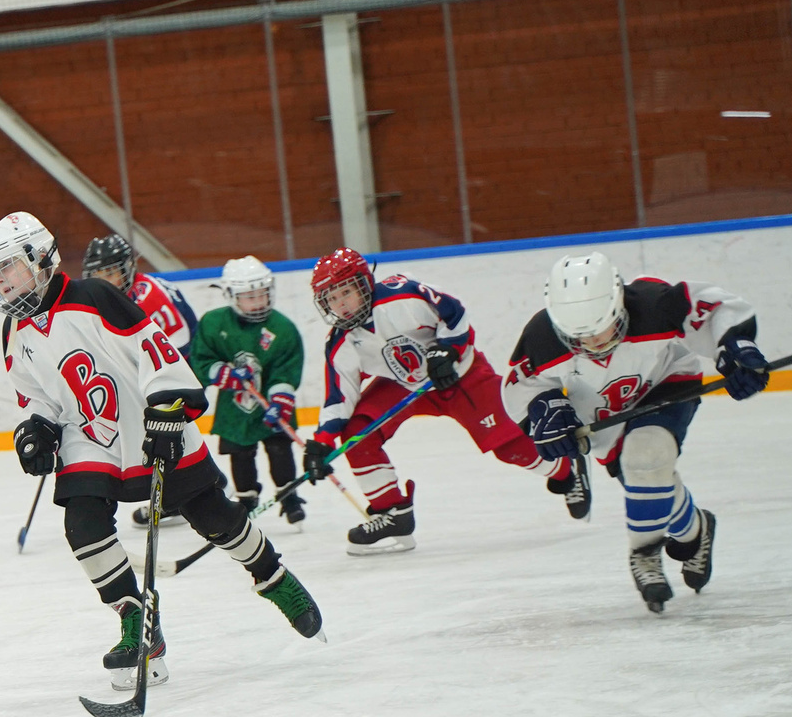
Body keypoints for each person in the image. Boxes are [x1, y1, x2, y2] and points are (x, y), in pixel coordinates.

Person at [0, 214, 321, 690]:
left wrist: (169, 404)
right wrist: (36, 428)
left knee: (213, 516)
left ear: (40, 258)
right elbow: (35, 394)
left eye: (7, 268)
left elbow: (156, 350)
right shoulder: (11, 331)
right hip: (90, 435)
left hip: (150, 421)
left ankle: (273, 577)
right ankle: (137, 624)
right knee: (81, 524)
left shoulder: (95, 297)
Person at [501, 252, 761, 612]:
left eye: (600, 329)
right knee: (650, 486)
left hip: (665, 382)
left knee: (647, 454)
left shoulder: (654, 304)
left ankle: (644, 554)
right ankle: (697, 529)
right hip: (602, 411)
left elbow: (717, 309)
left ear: (618, 303)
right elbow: (521, 387)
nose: (591, 345)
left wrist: (736, 346)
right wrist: (544, 409)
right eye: (578, 338)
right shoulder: (542, 336)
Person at [304, 247, 571, 555]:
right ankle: (392, 513)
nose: (340, 304)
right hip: (403, 385)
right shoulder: (340, 342)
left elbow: (454, 314)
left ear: (364, 283)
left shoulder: (403, 296)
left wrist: (448, 349)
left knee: (509, 446)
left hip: (459, 376)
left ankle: (565, 469)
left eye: (346, 292)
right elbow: (340, 395)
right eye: (332, 298)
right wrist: (322, 442)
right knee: (356, 432)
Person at [83, 232, 200, 526]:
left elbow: (180, 343)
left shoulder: (147, 296)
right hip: (153, 373)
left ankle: (178, 497)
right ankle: (198, 488)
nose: (103, 280)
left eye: (109, 272)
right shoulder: (113, 298)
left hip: (177, 373)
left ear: (126, 268)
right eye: (97, 274)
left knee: (160, 434)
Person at [189, 256, 307, 529]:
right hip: (235, 406)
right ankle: (246, 500)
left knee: (279, 447)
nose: (258, 302)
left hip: (269, 404)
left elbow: (286, 368)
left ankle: (289, 497)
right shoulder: (213, 323)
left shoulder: (282, 328)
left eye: (262, 295)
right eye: (249, 297)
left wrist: (280, 399)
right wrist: (224, 373)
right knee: (240, 453)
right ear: (231, 296)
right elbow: (200, 360)